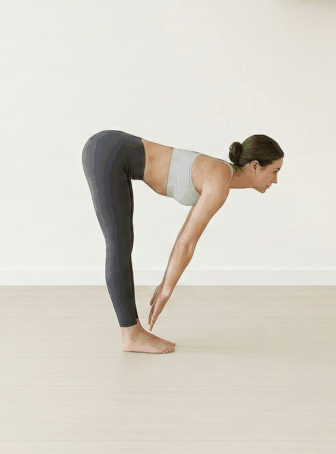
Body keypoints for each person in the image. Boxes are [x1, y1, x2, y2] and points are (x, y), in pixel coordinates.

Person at [81, 129, 284, 353]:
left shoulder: (220, 175)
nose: (275, 180)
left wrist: (165, 282)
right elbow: (187, 243)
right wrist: (166, 290)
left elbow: (183, 237)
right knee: (119, 245)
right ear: (255, 166)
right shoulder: (218, 183)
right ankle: (131, 335)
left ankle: (133, 332)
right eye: (275, 171)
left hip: (111, 151)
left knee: (122, 244)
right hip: (108, 152)